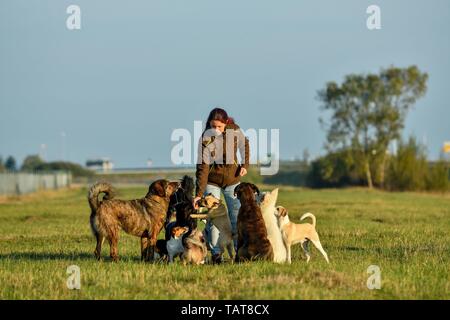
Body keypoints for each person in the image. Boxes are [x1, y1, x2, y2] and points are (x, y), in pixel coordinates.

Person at [193, 107, 250, 264]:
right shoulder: (205, 139)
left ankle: (240, 253)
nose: (216, 130)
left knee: (236, 218)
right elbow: (202, 167)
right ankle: (216, 254)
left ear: (226, 123)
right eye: (213, 126)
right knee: (214, 219)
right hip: (212, 182)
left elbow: (245, 145)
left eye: (220, 126)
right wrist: (199, 193)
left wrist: (245, 164)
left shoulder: (234, 131)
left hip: (233, 180)